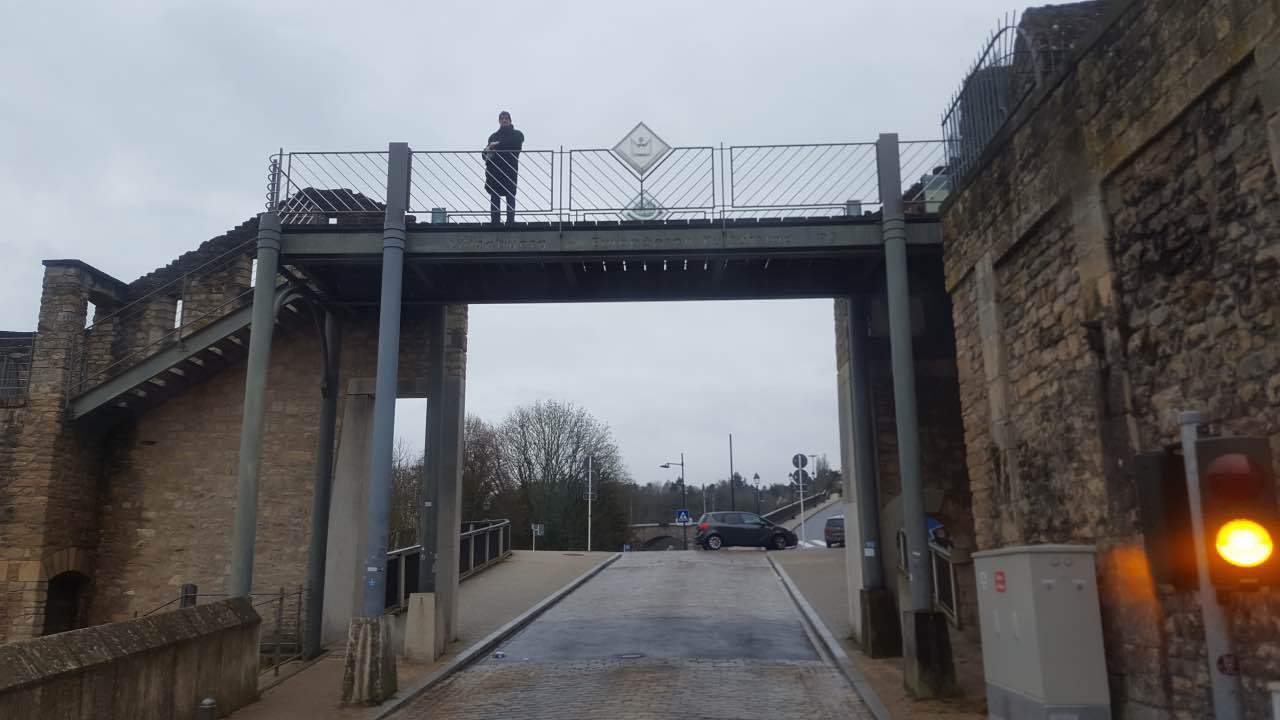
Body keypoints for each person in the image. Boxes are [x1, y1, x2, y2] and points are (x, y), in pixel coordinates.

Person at [484, 111, 524, 224]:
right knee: (495, 195)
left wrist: (496, 145)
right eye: (502, 118)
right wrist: (489, 149)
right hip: (495, 171)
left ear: (510, 120)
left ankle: (510, 221)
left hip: (509, 170)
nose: (504, 120)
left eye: (506, 118)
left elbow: (514, 144)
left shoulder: (517, 134)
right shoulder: (493, 136)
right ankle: (495, 221)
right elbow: (484, 154)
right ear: (499, 121)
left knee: (510, 194)